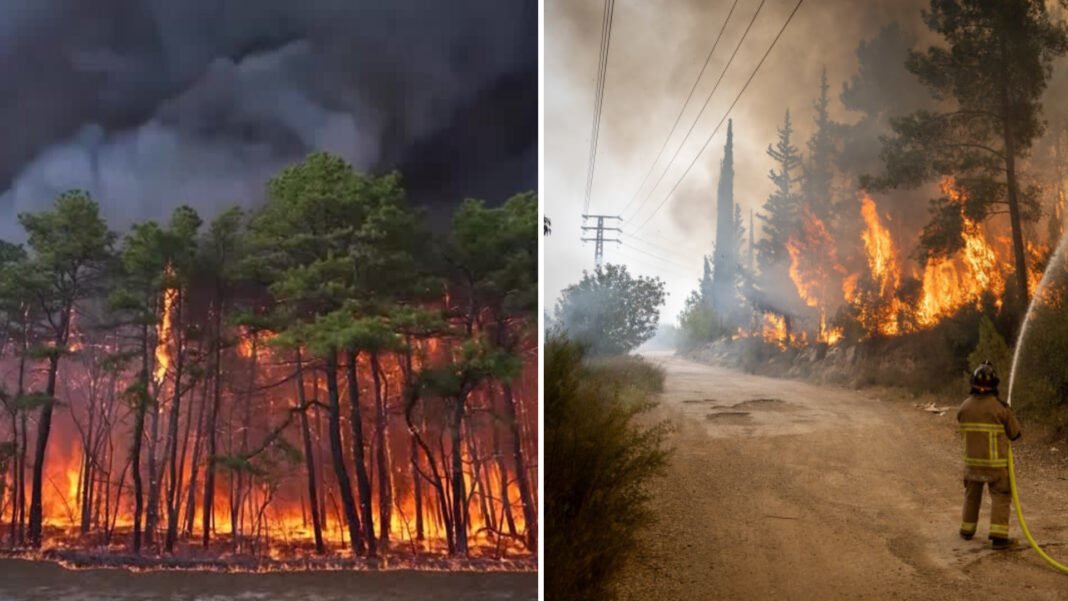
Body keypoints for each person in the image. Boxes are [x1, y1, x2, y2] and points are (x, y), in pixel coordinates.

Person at [956, 360, 1022, 550]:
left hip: (972, 465)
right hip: (995, 466)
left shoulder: (964, 407)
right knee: (1001, 495)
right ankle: (999, 537)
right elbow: (1015, 434)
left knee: (971, 496)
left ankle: (966, 530)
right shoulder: (1000, 408)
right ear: (995, 385)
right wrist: (1008, 412)